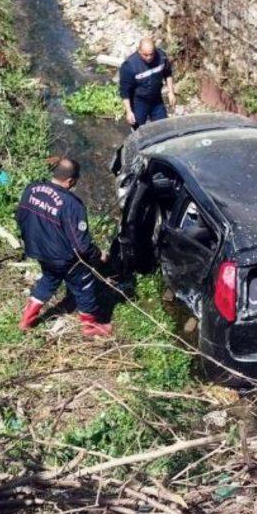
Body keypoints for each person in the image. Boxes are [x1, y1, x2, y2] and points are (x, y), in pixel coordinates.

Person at [15, 157, 112, 337]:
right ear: (70, 181)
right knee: (85, 285)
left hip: (38, 251)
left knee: (50, 278)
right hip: (63, 258)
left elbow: (20, 217)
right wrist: (99, 255)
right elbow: (81, 246)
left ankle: (27, 319)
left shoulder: (31, 189)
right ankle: (90, 327)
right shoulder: (73, 205)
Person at [119, 37, 175, 129]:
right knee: (138, 129)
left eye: (151, 54)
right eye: (145, 55)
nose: (149, 57)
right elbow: (125, 92)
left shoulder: (161, 57)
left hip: (156, 99)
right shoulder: (130, 66)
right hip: (139, 102)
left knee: (164, 127)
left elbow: (168, 73)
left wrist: (171, 92)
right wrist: (129, 112)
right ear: (139, 51)